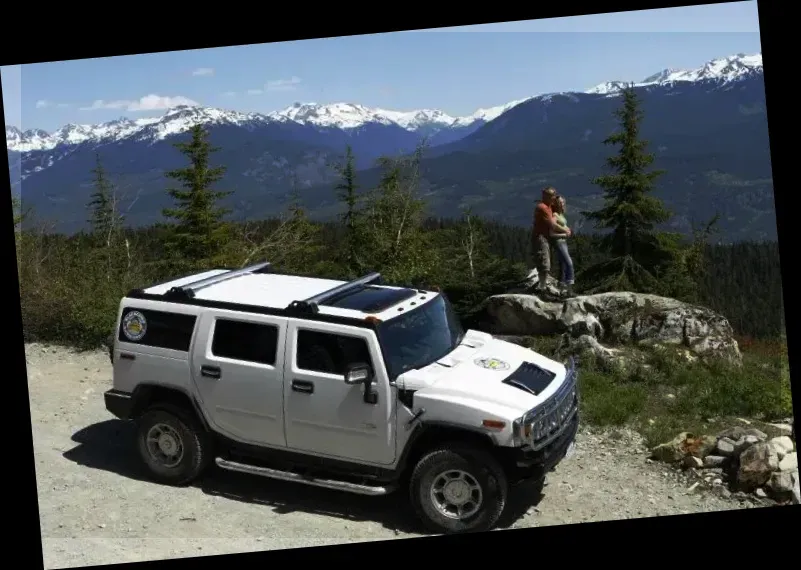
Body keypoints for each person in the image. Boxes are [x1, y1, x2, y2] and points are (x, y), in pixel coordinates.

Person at [531, 187, 570, 293]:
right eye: (552, 195)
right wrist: (566, 230)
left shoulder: (549, 206)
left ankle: (544, 287)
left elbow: (560, 207)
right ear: (546, 196)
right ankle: (542, 290)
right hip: (540, 238)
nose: (554, 197)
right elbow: (552, 225)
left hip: (547, 238)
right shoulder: (542, 208)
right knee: (544, 263)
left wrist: (560, 203)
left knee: (549, 262)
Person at [550, 195, 575, 296]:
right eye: (559, 202)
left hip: (563, 242)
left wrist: (567, 229)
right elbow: (551, 233)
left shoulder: (561, 214)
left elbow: (562, 225)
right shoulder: (555, 215)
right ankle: (569, 289)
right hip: (559, 242)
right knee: (569, 263)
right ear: (556, 204)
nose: (562, 204)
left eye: (563, 202)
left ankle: (562, 290)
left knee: (564, 266)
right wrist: (564, 234)